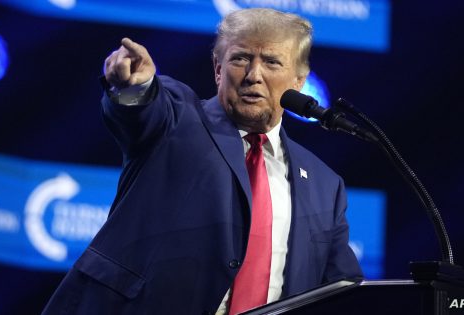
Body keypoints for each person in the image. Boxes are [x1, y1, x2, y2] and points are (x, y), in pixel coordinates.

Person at [43, 8, 362, 315]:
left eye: (271, 62)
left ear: (299, 81)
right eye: (241, 58)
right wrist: (134, 87)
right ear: (218, 68)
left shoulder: (325, 185)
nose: (254, 75)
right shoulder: (177, 119)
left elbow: (342, 292)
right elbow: (142, 109)